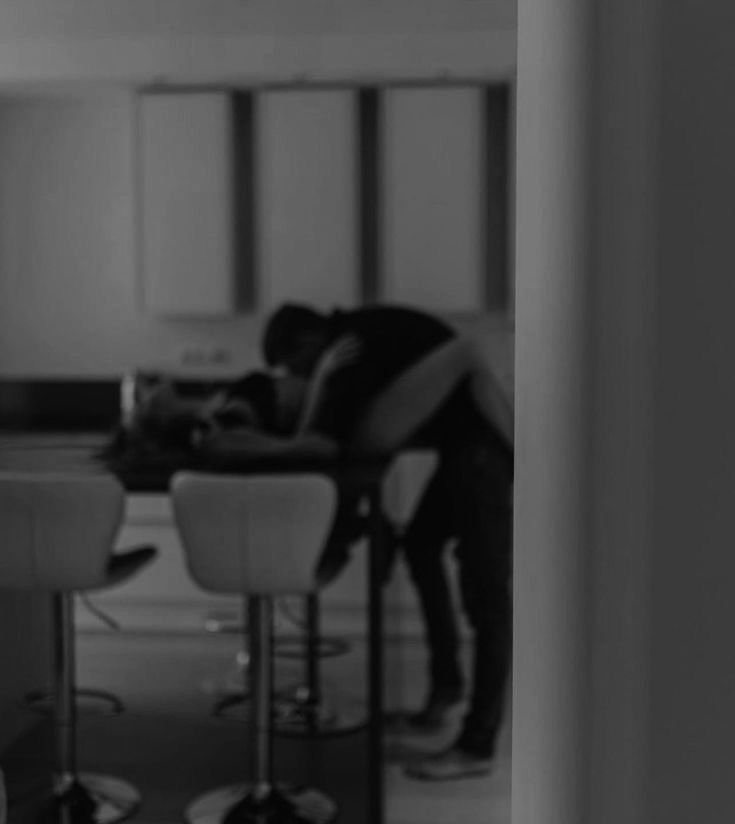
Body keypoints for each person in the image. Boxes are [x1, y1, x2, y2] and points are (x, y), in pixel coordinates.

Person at [262, 302, 514, 781]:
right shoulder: (359, 338)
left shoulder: (346, 353)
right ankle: (444, 691)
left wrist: (318, 384)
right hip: (468, 445)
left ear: (307, 345)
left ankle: (476, 745)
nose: (297, 378)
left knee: (488, 599)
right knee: (421, 546)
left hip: (481, 453)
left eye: (295, 368)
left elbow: (326, 444)